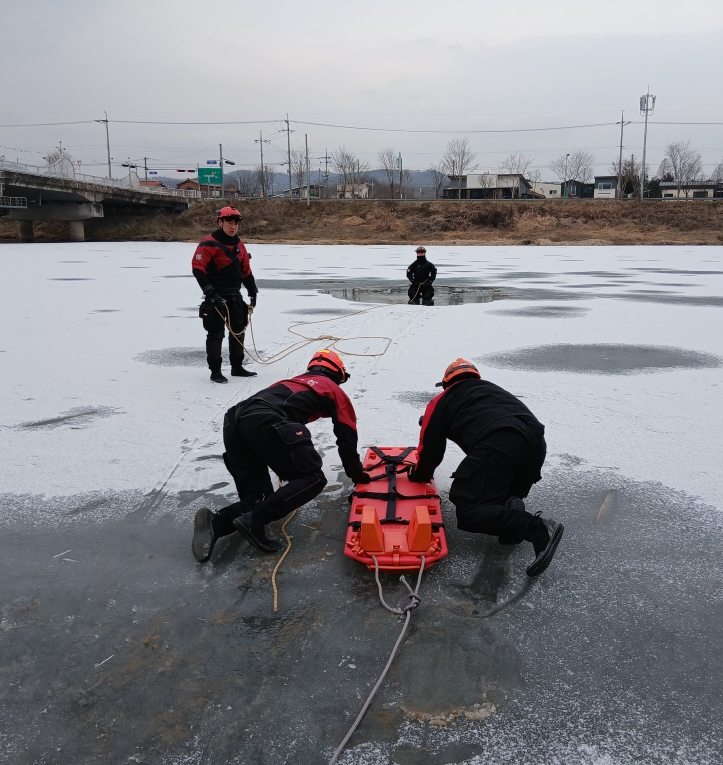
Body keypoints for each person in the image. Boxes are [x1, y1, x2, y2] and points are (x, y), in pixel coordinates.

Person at [191, 349, 372, 561]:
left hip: (234, 420)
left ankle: (216, 523)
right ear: (338, 374)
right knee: (311, 478)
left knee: (258, 499)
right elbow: (347, 439)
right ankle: (254, 521)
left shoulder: (291, 382)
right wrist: (357, 475)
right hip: (265, 418)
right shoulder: (334, 391)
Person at [407, 358, 563, 576]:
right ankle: (510, 510)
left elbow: (430, 449)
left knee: (469, 509)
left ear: (445, 384)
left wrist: (419, 475)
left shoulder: (441, 400)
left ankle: (536, 528)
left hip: (501, 441)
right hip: (535, 444)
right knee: (496, 490)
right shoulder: (492, 391)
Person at [192, 206, 258, 383]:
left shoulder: (239, 245)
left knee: (238, 332)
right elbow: (198, 269)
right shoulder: (208, 244)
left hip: (235, 296)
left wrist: (253, 291)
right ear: (220, 222)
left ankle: (237, 366)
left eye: (236, 223)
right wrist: (209, 292)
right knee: (216, 334)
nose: (233, 226)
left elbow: (246, 271)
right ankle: (215, 371)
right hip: (216, 296)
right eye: (229, 222)